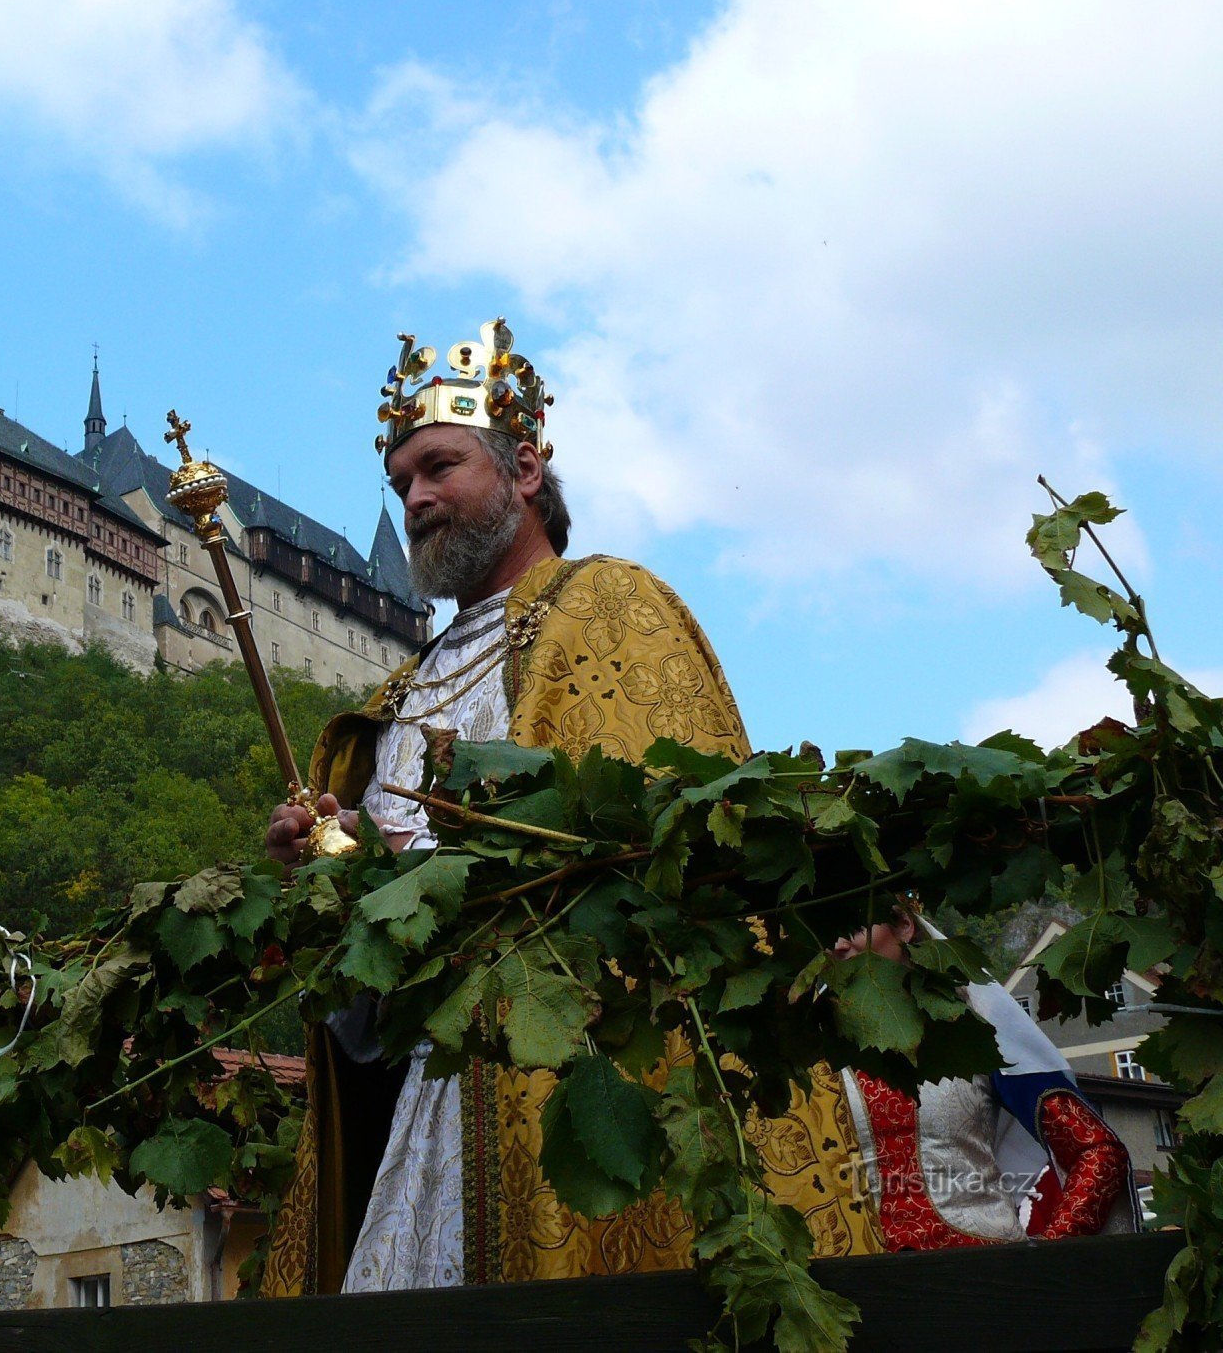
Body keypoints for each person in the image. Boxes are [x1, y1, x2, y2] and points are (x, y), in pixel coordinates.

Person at [261, 320, 882, 1295]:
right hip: (429, 1113)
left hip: (584, 1089)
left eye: (437, 466)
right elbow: (377, 985)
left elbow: (659, 878)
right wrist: (330, 882)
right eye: (399, 485)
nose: (415, 498)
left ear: (524, 468)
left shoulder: (606, 608)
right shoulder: (387, 702)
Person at [832, 907, 1137, 1249]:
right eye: (825, 935)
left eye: (853, 927)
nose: (839, 945)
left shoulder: (973, 1031)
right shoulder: (812, 1053)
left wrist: (1049, 1256)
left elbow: (1097, 1152)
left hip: (986, 1283)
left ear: (904, 925)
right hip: (859, 1289)